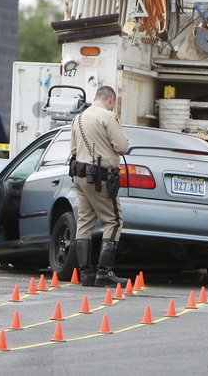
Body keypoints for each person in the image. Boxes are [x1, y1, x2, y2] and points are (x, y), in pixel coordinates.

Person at [70, 86, 130, 287]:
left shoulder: (78, 118)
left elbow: (73, 149)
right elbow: (122, 146)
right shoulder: (108, 117)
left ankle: (86, 274)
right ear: (111, 100)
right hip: (101, 177)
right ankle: (104, 272)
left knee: (85, 221)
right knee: (113, 221)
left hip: (80, 176)